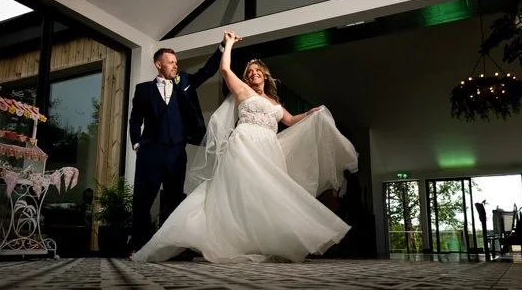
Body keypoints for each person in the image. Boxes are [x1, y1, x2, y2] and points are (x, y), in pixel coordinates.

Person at [130, 31, 358, 263]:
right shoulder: (242, 90)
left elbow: (288, 120)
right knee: (232, 195)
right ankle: (154, 241)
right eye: (250, 72)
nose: (254, 74)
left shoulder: (274, 102)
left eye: (258, 71)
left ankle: (258, 242)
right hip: (244, 145)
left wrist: (310, 114)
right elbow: (224, 70)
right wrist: (227, 44)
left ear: (266, 76)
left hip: (268, 149)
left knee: (263, 197)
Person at [129, 42, 224, 252]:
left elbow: (207, 71)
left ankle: (170, 247)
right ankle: (140, 245)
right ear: (158, 64)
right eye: (170, 62)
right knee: (143, 200)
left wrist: (223, 47)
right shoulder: (143, 89)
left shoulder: (185, 81)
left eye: (176, 62)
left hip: (176, 151)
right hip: (150, 151)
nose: (174, 65)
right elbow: (135, 119)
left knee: (174, 200)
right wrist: (136, 143)